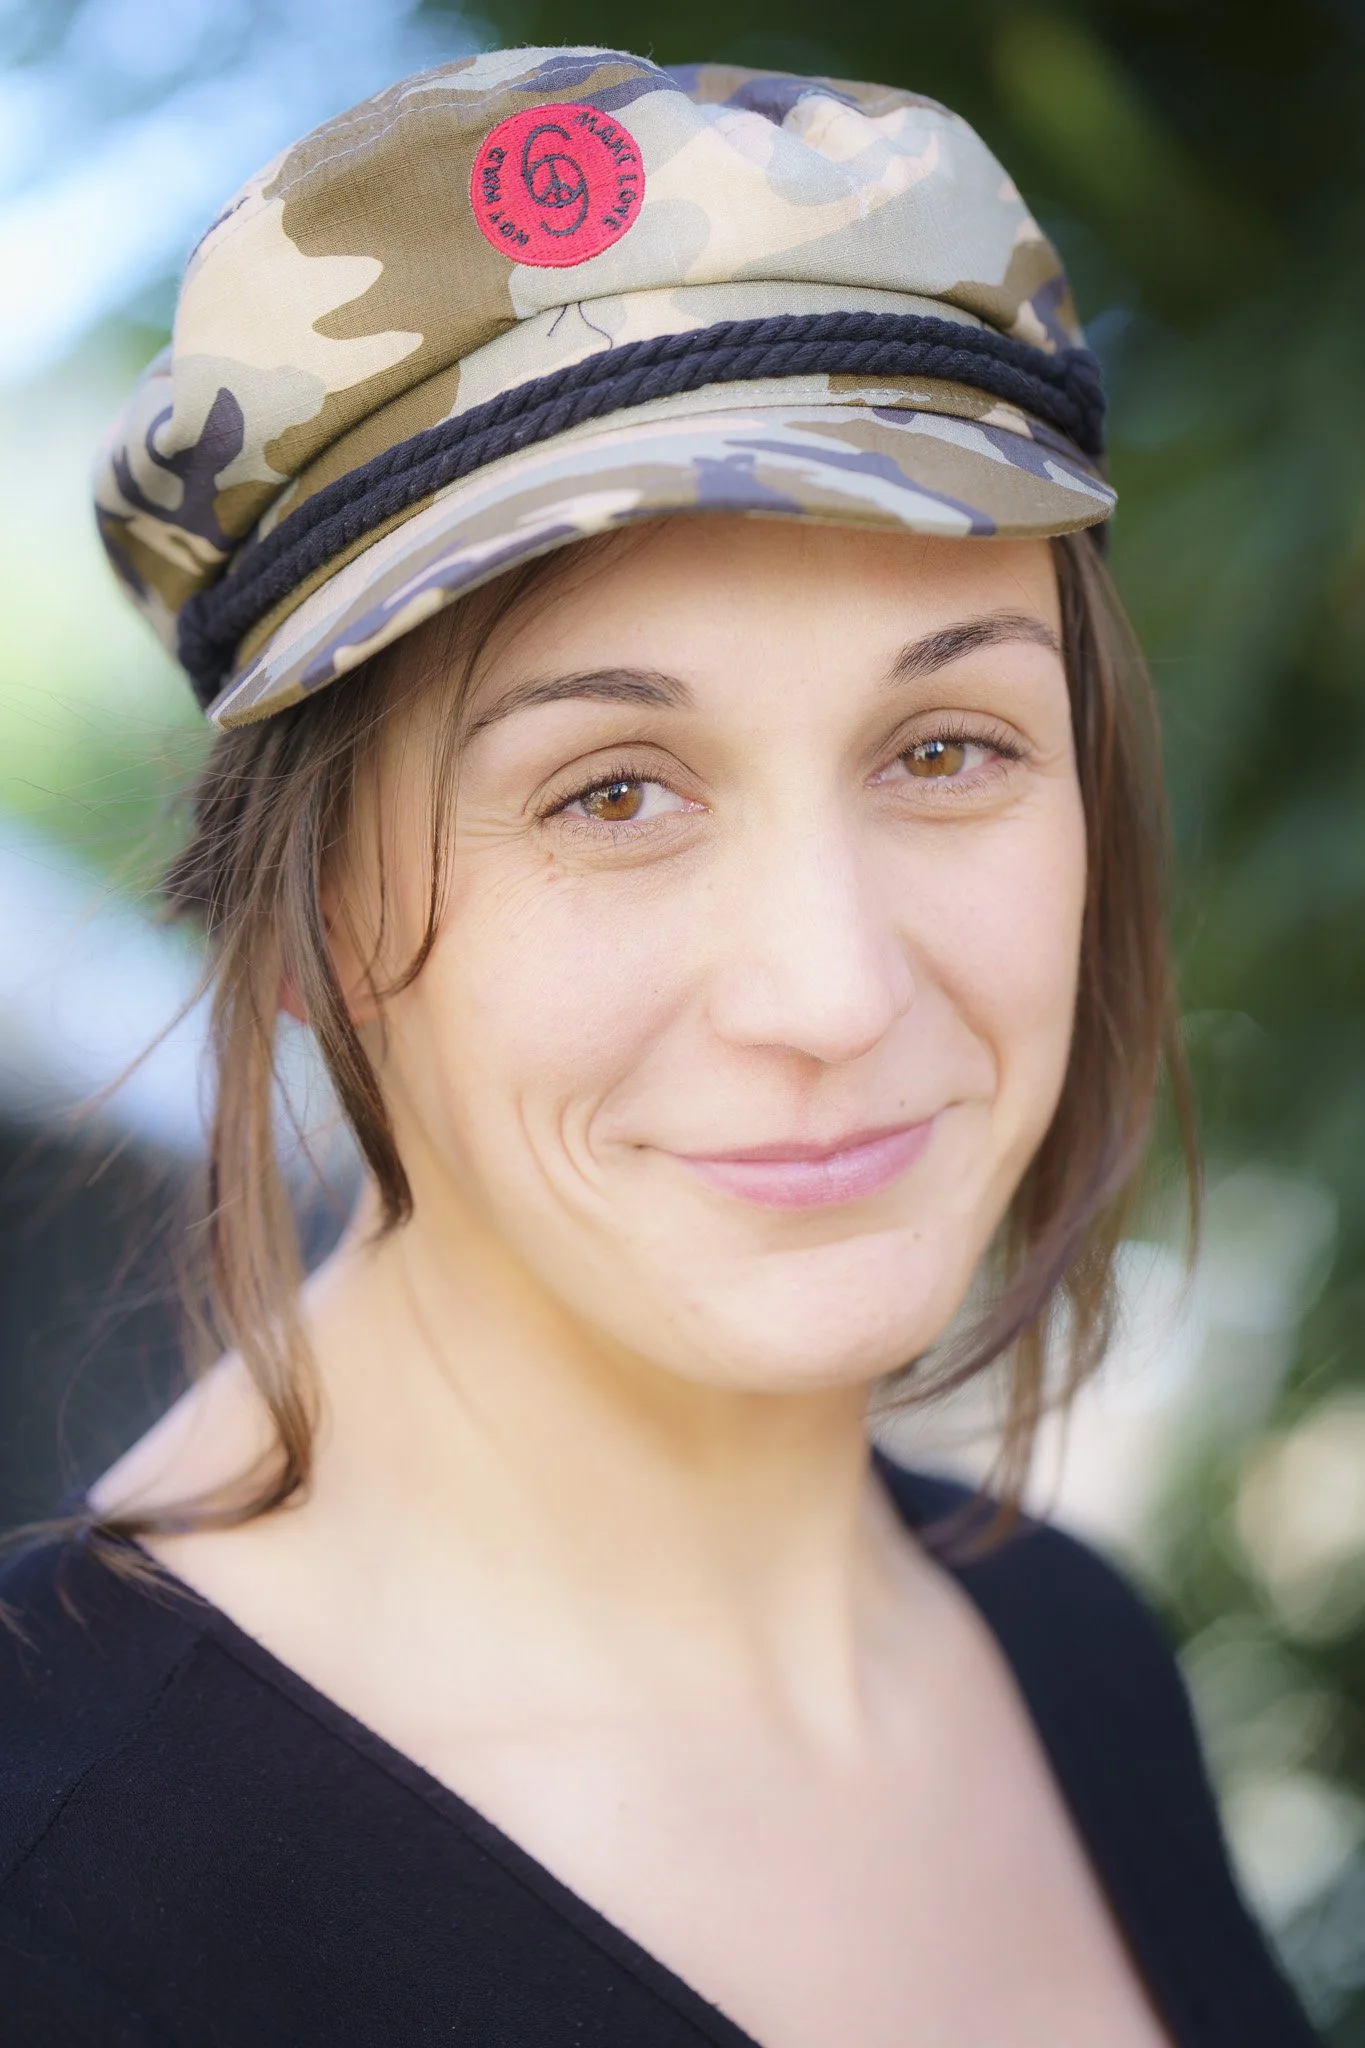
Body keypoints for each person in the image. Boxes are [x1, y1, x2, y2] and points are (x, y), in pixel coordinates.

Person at [0, 48, 1319, 2048]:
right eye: (611, 791)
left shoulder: (1070, 1652)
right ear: (306, 926)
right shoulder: (59, 1886)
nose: (832, 988)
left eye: (945, 747)